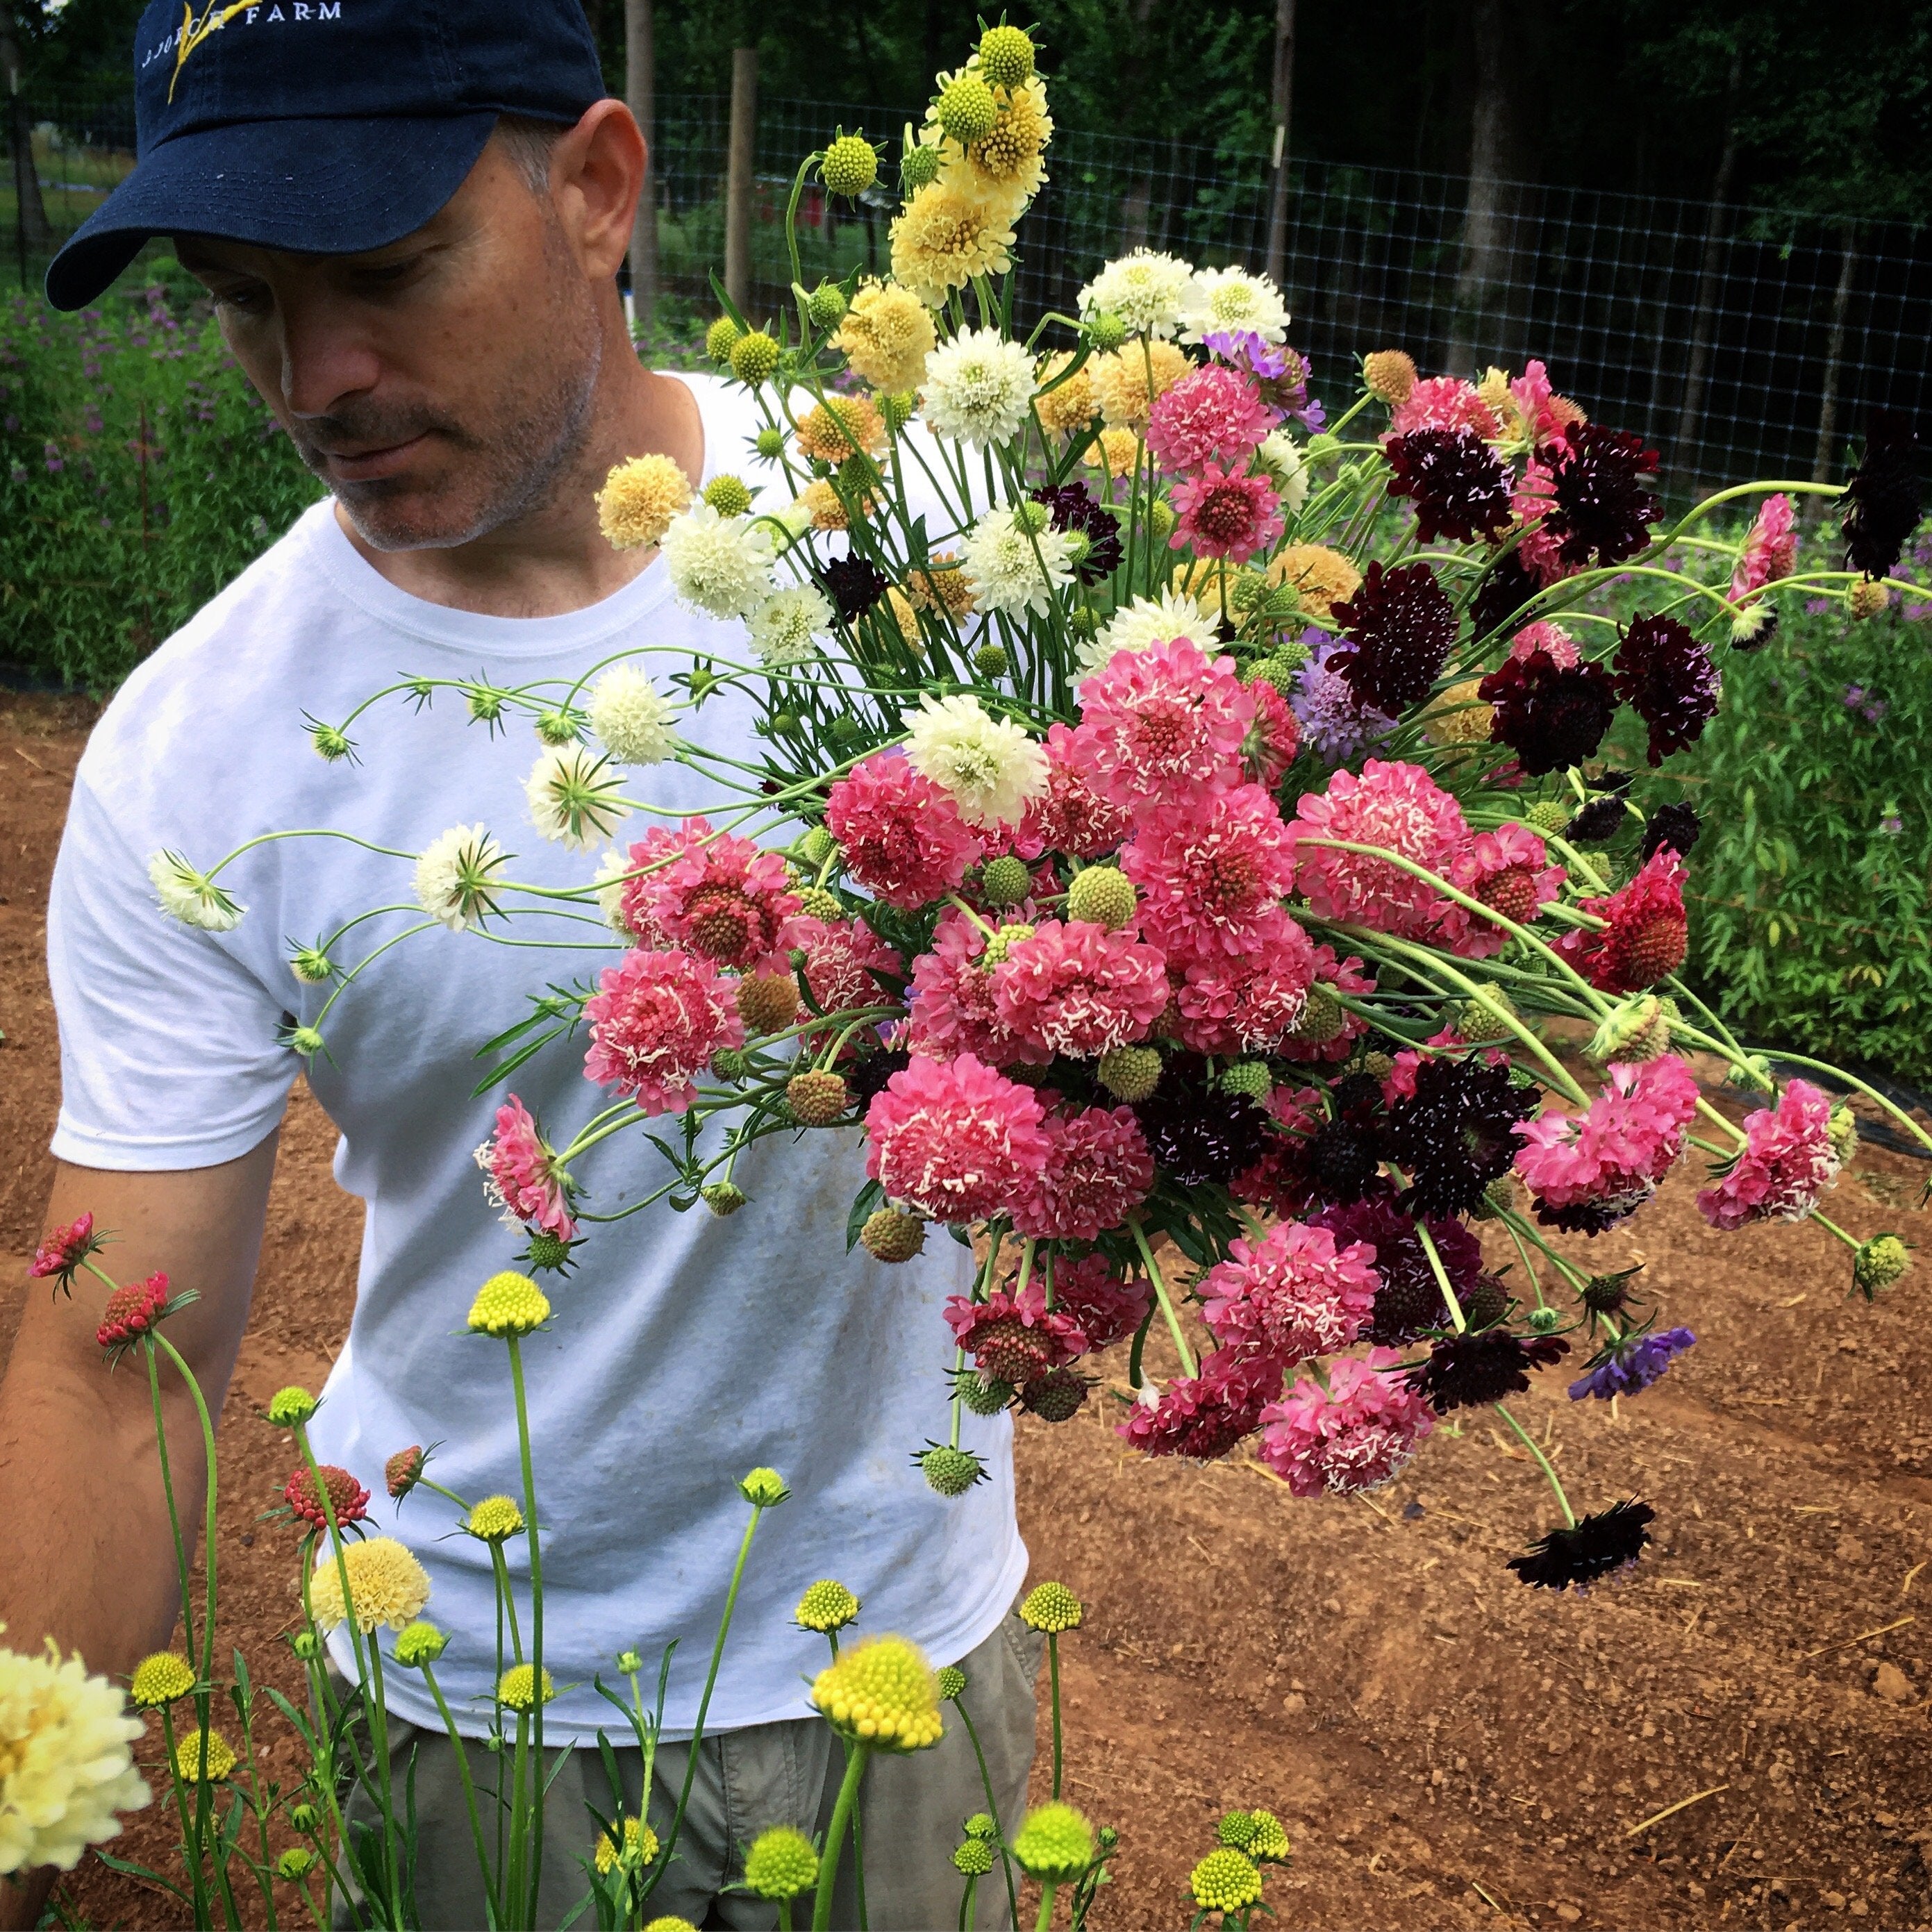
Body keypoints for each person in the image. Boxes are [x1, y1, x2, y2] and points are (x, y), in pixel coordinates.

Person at [0, 3, 1038, 1926]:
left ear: (597, 189)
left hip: (910, 1655)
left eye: (386, 270)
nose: (318, 375)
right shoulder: (199, 752)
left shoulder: (918, 541)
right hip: (470, 1710)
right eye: (245, 299)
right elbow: (114, 1362)